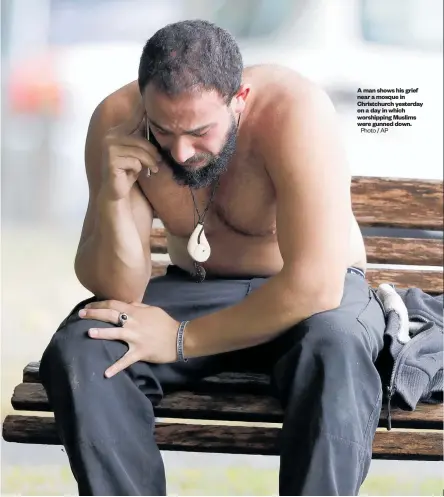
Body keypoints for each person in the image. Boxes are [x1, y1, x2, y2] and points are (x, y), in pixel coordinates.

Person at [39, 19, 386, 496]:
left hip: (309, 299)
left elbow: (316, 285)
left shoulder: (294, 109)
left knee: (336, 344)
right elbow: (118, 292)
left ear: (238, 99)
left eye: (200, 131)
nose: (181, 152)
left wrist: (181, 339)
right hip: (199, 287)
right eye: (164, 130)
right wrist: (114, 199)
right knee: (86, 343)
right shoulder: (117, 121)